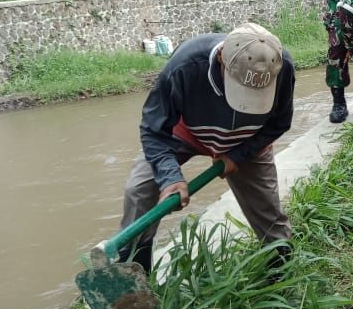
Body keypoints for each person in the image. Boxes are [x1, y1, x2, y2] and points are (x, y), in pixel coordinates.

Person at [118, 22, 296, 273]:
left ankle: (282, 270)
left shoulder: (281, 66)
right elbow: (153, 129)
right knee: (139, 189)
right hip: (187, 132)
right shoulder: (184, 66)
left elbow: (280, 122)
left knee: (268, 210)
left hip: (248, 138)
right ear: (221, 57)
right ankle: (132, 273)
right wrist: (169, 177)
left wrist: (238, 155)